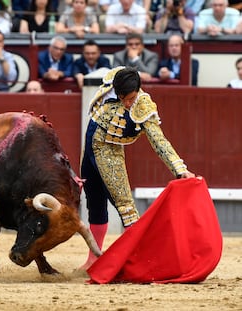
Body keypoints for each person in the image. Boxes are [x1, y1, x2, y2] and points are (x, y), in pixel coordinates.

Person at [79, 66, 196, 270]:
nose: (127, 102)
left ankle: (143, 261)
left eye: (131, 98)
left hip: (109, 152)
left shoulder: (143, 105)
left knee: (126, 208)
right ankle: (93, 258)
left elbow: (159, 140)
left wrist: (179, 169)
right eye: (123, 97)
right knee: (94, 202)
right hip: (89, 145)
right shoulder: (112, 81)